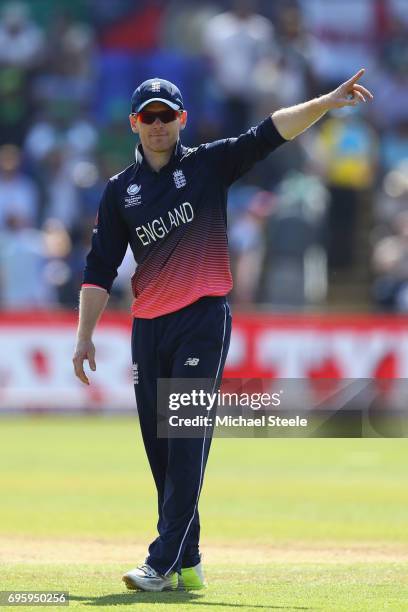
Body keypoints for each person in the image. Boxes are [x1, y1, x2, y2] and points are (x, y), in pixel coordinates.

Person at [72, 70, 373, 592]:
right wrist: (84, 336)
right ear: (134, 124)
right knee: (161, 450)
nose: (159, 125)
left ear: (182, 119)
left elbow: (269, 132)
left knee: (186, 439)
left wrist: (325, 102)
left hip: (203, 320)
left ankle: (160, 562)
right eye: (150, 117)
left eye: (168, 116)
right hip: (148, 328)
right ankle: (188, 559)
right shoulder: (121, 191)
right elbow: (100, 268)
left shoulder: (209, 164)